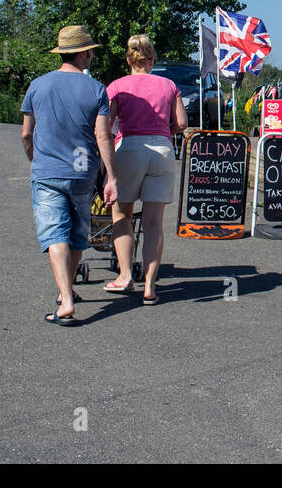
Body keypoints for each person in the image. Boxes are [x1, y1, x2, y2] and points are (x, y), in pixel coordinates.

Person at [21, 25, 118, 326]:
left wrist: (35, 160)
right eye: (90, 52)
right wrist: (110, 176)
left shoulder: (38, 85)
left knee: (55, 234)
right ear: (83, 53)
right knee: (77, 234)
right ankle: (68, 292)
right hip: (82, 172)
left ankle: (65, 299)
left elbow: (27, 133)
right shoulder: (96, 89)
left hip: (47, 172)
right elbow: (103, 136)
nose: (92, 57)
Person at [105, 34, 189, 304]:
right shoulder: (169, 85)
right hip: (162, 150)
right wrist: (166, 130)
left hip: (129, 147)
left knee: (121, 215)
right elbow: (183, 123)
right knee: (153, 222)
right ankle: (150, 285)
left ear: (129, 60)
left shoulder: (118, 86)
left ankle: (125, 274)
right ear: (152, 60)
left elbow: (106, 126)